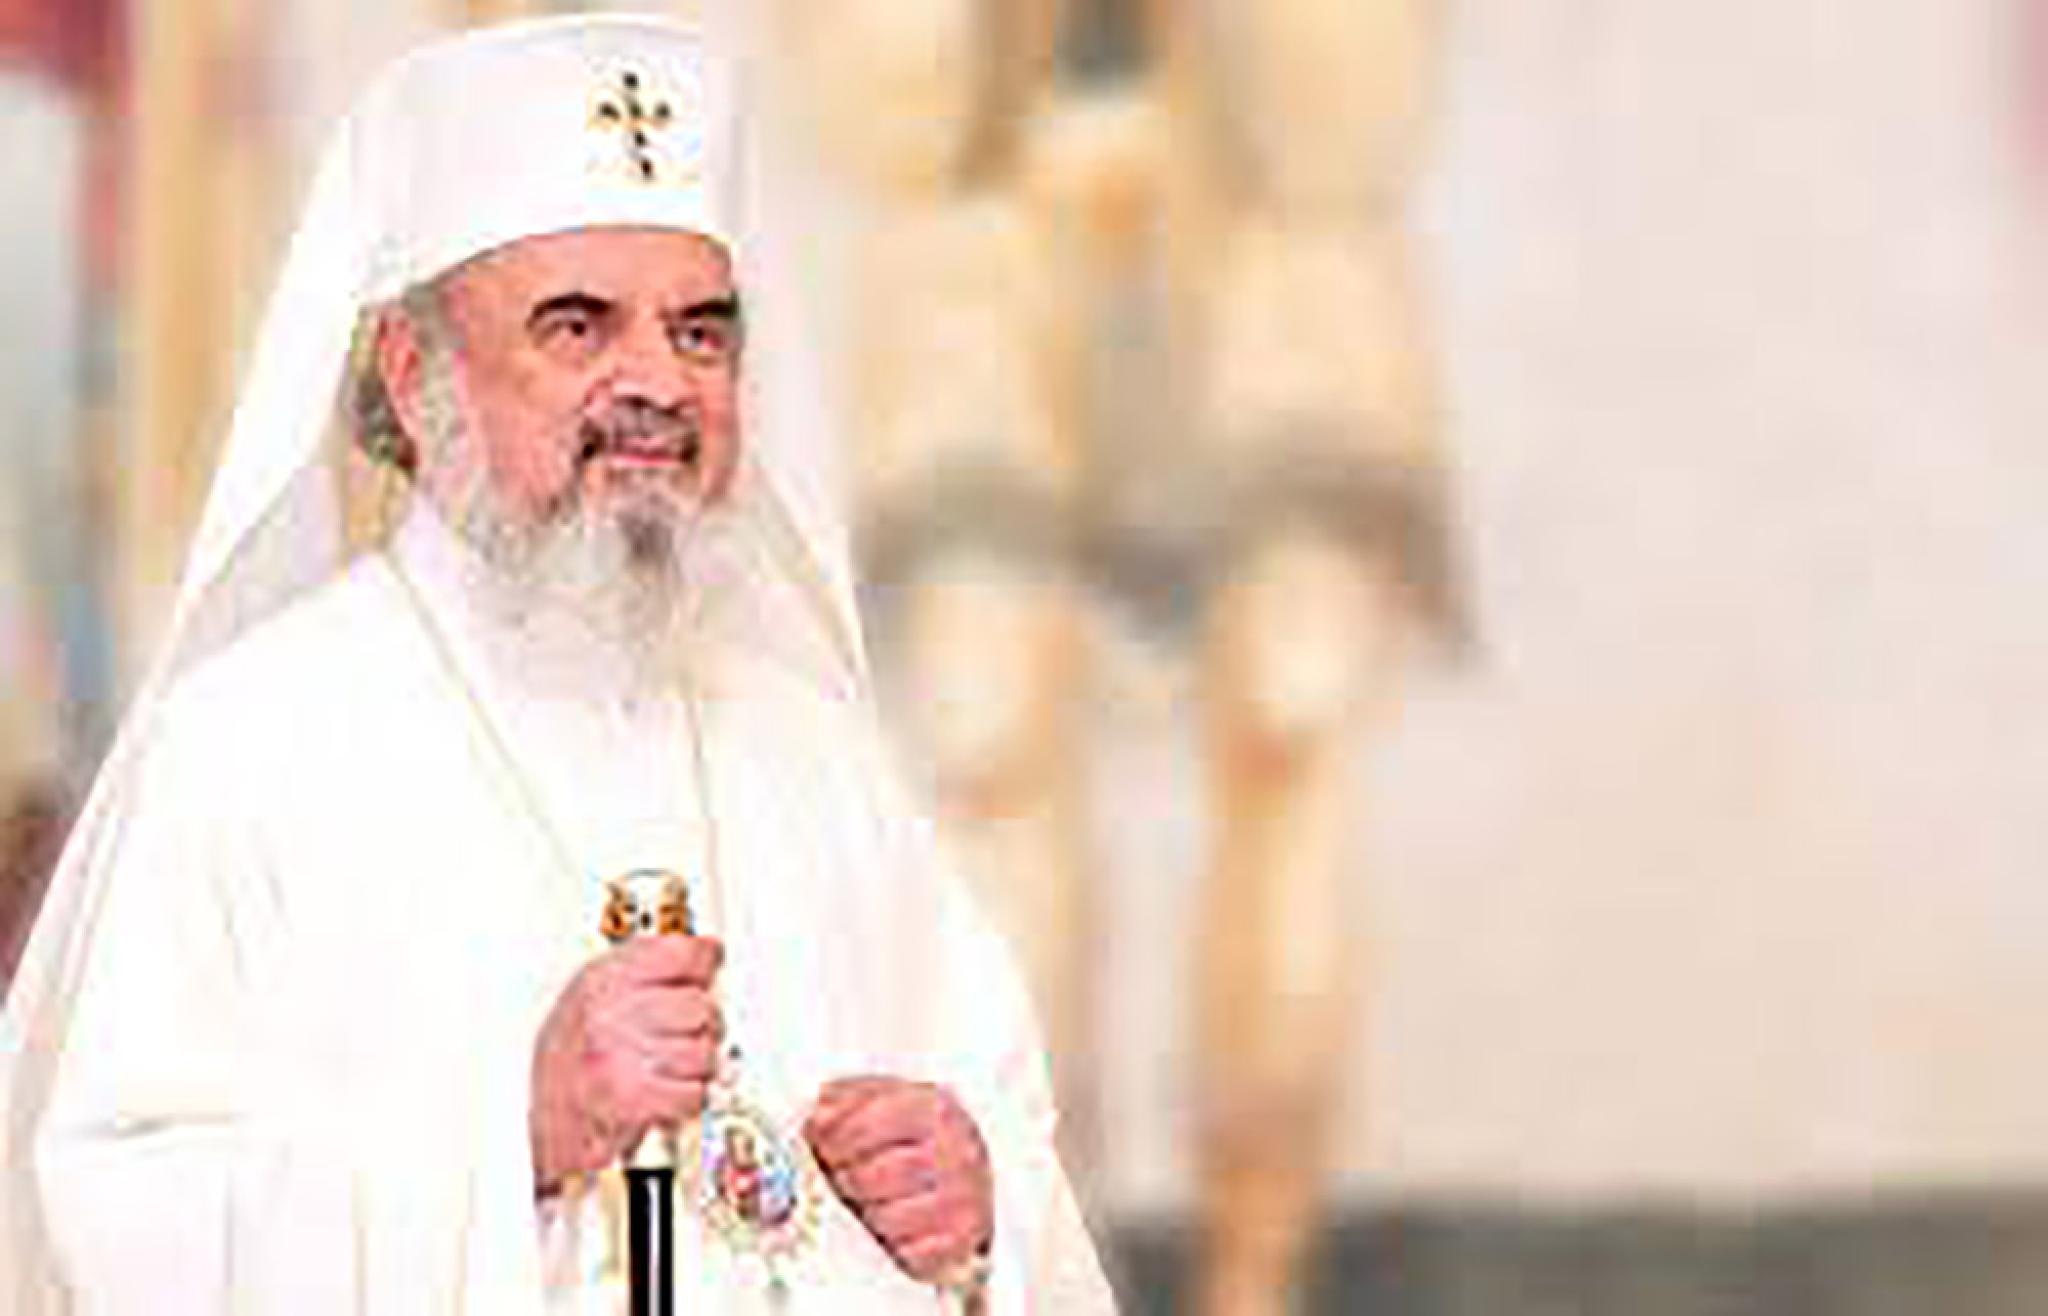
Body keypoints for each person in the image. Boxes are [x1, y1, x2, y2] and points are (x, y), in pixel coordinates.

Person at [0, 15, 1114, 1314]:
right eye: (578, 327)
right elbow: (111, 1223)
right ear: (413, 374)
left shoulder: (812, 746)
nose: (661, 383)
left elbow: (1000, 1130)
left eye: (701, 332)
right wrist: (514, 1136)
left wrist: (977, 1210)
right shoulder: (245, 749)